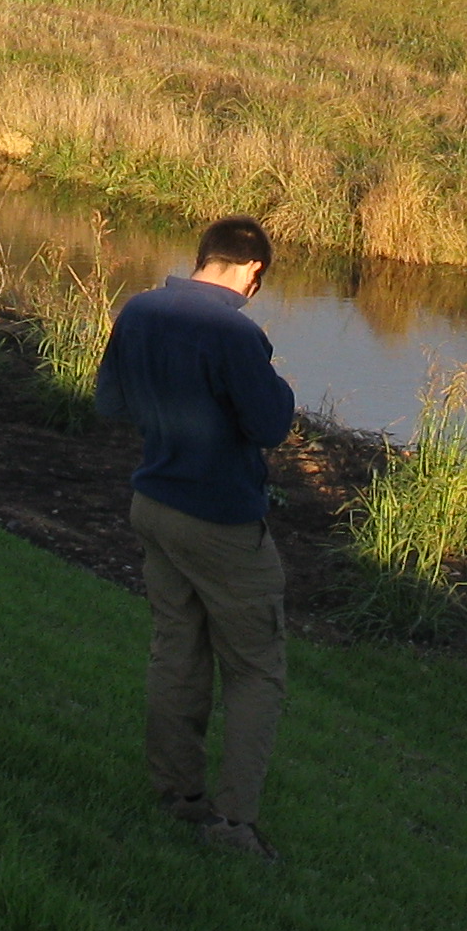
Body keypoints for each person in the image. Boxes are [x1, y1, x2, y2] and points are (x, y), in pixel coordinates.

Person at [94, 215, 297, 858]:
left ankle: (178, 793)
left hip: (153, 503)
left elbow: (112, 404)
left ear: (204, 256)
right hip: (221, 519)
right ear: (253, 269)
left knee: (176, 649)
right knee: (256, 669)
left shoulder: (140, 310)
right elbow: (270, 425)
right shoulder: (236, 332)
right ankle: (234, 824)